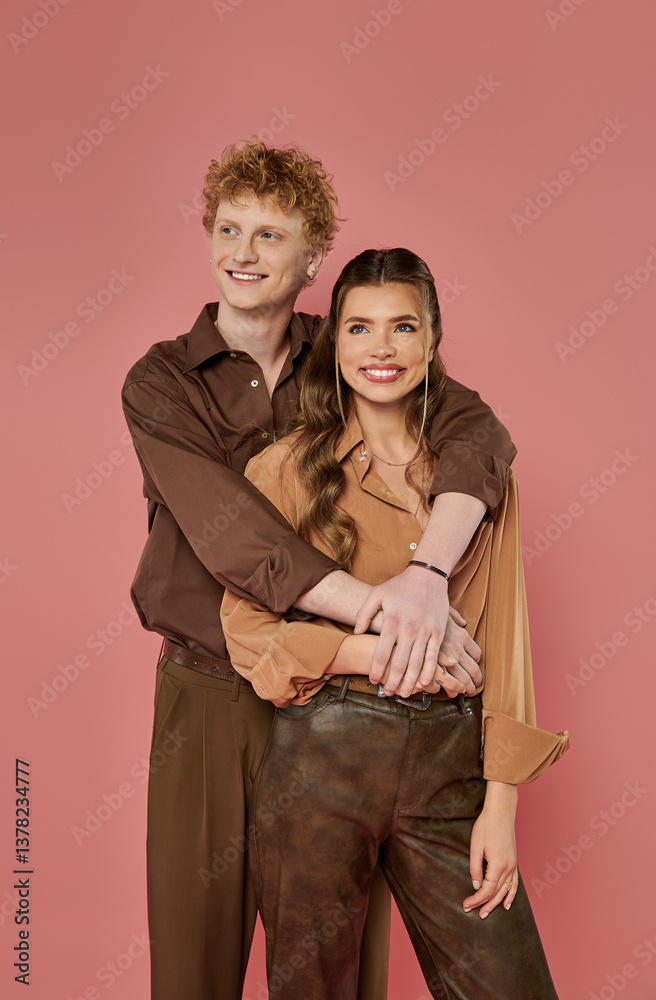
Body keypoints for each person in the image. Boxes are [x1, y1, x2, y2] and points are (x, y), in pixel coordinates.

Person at [122, 141, 518, 1000]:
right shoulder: (160, 381)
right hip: (210, 694)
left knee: (334, 971)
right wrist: (392, 617)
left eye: (270, 234)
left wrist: (428, 575)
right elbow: (235, 536)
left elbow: (474, 431)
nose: (243, 252)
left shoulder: (344, 347)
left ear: (312, 259)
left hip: (339, 703)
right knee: (192, 964)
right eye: (228, 230)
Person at [221, 248, 570, 999]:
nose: (381, 348)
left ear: (432, 338)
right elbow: (247, 633)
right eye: (360, 328)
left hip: (450, 762)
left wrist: (501, 805)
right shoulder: (282, 470)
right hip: (320, 760)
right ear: (335, 341)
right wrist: (371, 651)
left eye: (403, 327)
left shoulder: (478, 480)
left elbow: (506, 641)